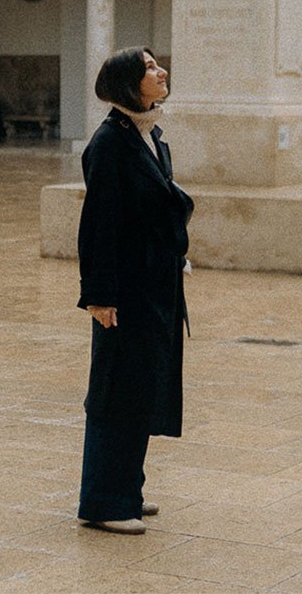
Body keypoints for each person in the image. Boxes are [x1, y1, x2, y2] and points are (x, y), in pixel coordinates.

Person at [76, 47, 194, 535]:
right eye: (148, 68)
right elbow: (97, 226)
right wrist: (99, 296)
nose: (160, 70)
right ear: (128, 83)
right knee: (116, 392)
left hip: (153, 287)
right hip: (123, 293)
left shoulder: (149, 136)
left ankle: (126, 487)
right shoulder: (108, 144)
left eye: (157, 64)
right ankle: (105, 501)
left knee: (142, 387)